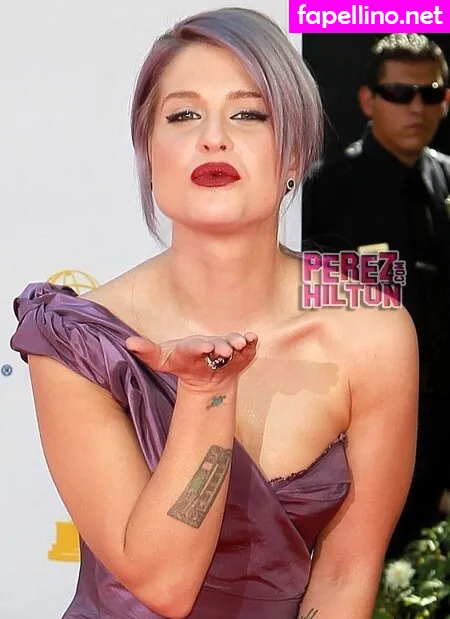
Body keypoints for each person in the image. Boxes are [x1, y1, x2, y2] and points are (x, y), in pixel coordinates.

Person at [11, 9, 417, 619]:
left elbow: (345, 573)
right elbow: (163, 584)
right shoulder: (78, 339)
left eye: (249, 114)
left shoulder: (372, 334)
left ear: (294, 152)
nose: (214, 138)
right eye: (183, 115)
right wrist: (205, 394)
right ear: (148, 151)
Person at [302, 33, 450, 559]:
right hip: (357, 426)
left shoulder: (446, 181)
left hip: (440, 423)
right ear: (367, 100)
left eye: (430, 93)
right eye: (399, 93)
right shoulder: (327, 190)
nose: (416, 107)